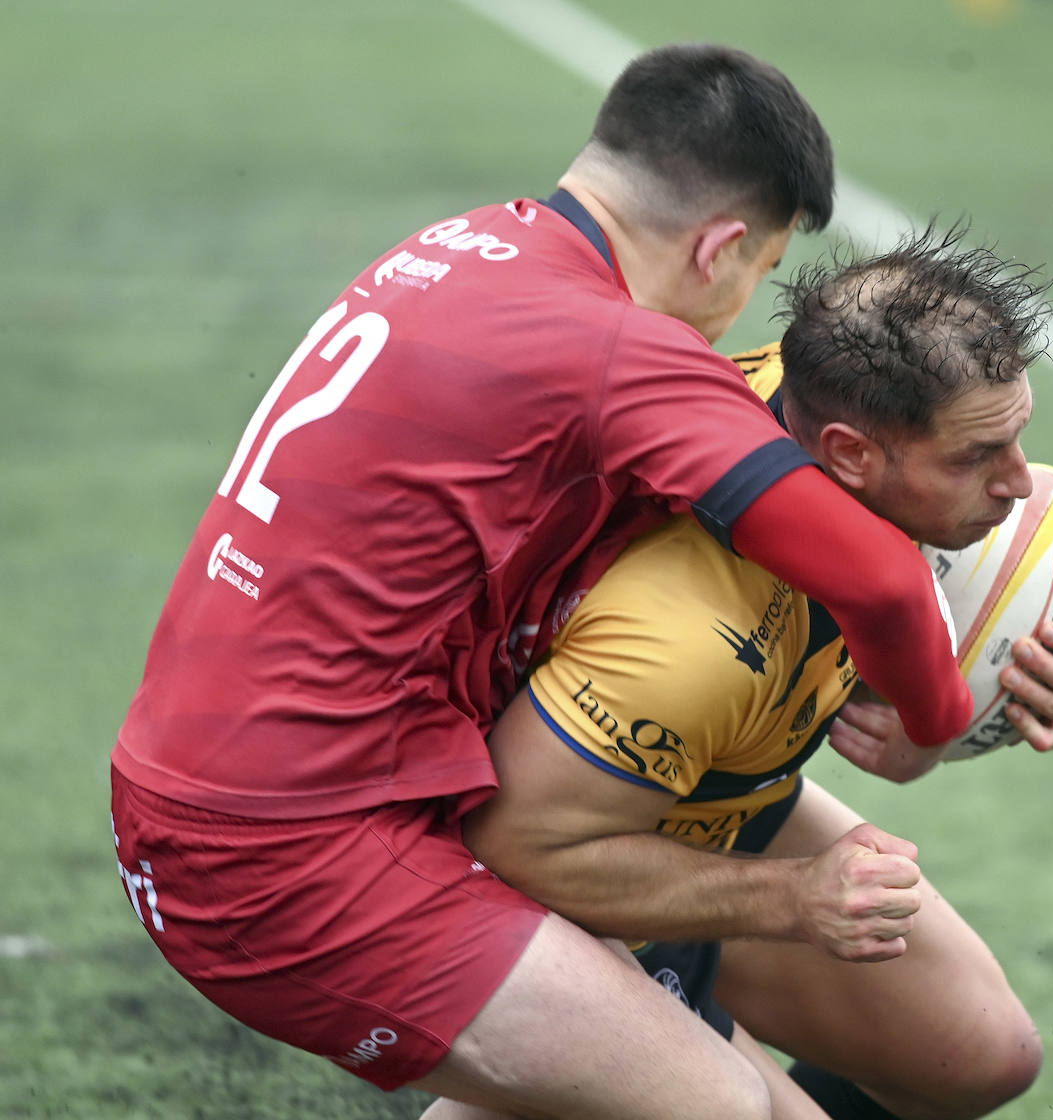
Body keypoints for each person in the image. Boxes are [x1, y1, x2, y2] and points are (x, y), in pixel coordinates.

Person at [108, 45, 981, 1119]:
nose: (737, 314)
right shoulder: (613, 347)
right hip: (293, 855)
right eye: (757, 275)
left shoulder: (459, 247)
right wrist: (932, 722)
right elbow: (886, 583)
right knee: (726, 1108)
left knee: (924, 1059)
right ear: (720, 247)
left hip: (209, 783)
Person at [456, 225, 1053, 1120]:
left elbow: (968, 573)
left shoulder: (818, 394)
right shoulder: (691, 635)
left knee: (982, 1054)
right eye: (976, 459)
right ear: (848, 454)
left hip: (713, 794)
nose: (1018, 486)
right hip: (582, 860)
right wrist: (795, 899)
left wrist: (1031, 659)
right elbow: (517, 847)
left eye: (1016, 441)